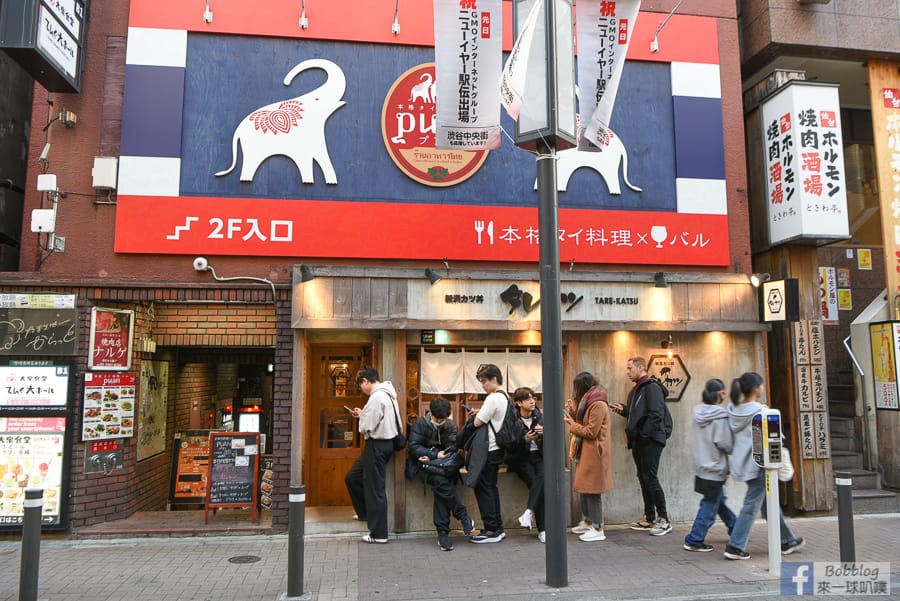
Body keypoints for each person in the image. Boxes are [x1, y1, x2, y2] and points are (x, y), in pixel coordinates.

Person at [723, 372, 805, 560]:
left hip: (743, 463)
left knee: (768, 502)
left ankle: (787, 540)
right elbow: (776, 439)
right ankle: (735, 546)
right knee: (751, 504)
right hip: (761, 464)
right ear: (757, 388)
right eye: (761, 384)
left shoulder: (733, 411)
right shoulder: (762, 412)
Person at [610, 356, 673, 536]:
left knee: (650, 477)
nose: (627, 372)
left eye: (630, 368)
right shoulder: (636, 390)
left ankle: (664, 519)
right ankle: (649, 517)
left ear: (642, 368)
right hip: (639, 440)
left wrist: (644, 436)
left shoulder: (652, 388)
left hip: (650, 440)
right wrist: (624, 410)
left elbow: (656, 415)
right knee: (643, 476)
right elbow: (638, 415)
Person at [406, 397, 475, 551]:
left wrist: (435, 455)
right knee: (441, 482)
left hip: (444, 467)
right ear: (430, 413)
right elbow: (414, 446)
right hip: (424, 467)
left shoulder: (450, 425)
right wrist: (434, 455)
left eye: (443, 418)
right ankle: (462, 516)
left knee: (441, 485)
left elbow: (453, 447)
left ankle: (443, 533)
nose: (440, 421)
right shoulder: (420, 424)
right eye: (437, 418)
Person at [344, 367, 401, 544]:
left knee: (375, 488)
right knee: (352, 477)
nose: (362, 389)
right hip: (384, 444)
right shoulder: (387, 394)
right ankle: (365, 513)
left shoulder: (377, 397)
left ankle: (379, 534)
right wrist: (363, 414)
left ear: (366, 381)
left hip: (377, 444)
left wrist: (362, 417)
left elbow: (365, 427)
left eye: (361, 385)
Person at [683, 378, 737, 552]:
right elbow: (725, 444)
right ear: (719, 394)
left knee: (718, 500)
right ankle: (694, 539)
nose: (725, 395)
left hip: (702, 465)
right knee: (710, 504)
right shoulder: (720, 416)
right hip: (715, 467)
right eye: (723, 392)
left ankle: (735, 527)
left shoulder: (698, 412)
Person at [564, 372, 613, 542]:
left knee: (593, 491)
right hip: (587, 451)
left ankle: (598, 528)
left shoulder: (597, 403)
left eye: (575, 386)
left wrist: (572, 424)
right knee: (585, 488)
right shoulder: (589, 400)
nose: (574, 390)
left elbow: (591, 431)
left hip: (595, 452)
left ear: (582, 386)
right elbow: (585, 421)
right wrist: (573, 411)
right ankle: (588, 521)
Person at [463, 363, 508, 544]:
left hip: (488, 450)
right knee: (491, 488)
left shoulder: (493, 398)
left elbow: (477, 423)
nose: (482, 385)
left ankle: (492, 530)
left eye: (484, 381)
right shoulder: (505, 397)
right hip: (497, 450)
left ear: (494, 379)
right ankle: (497, 527)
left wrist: (476, 415)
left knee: (484, 489)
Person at [504, 387, 546, 543]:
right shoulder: (512, 419)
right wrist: (524, 440)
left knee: (542, 479)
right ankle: (543, 529)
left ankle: (529, 512)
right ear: (519, 403)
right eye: (528, 399)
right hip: (520, 458)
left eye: (533, 398)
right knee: (538, 484)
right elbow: (507, 443)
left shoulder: (539, 416)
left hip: (537, 456)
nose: (532, 401)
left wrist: (544, 434)